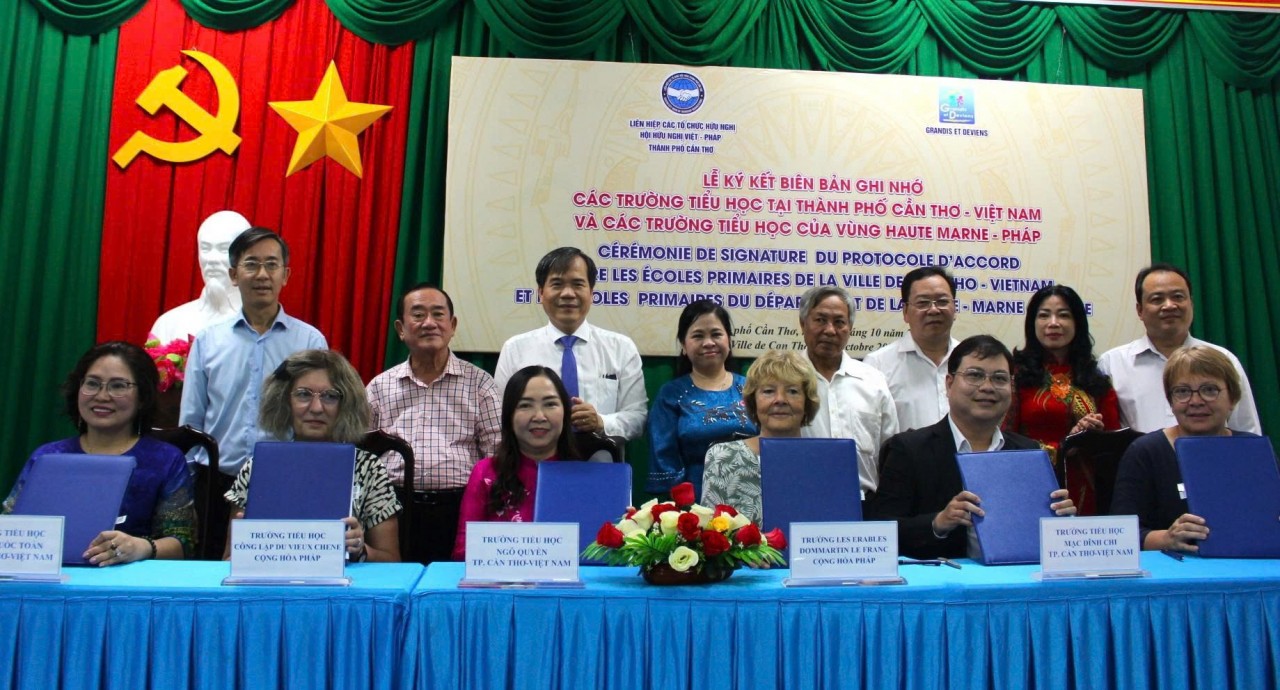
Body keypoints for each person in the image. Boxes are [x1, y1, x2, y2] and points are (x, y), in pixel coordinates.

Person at [180, 227, 327, 558]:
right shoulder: (208, 341)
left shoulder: (309, 342)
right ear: (234, 274)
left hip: (287, 482)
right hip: (217, 483)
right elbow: (192, 423)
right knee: (212, 581)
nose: (262, 274)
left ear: (286, 274)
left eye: (272, 264)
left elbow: (321, 424)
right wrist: (187, 493)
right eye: (251, 264)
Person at [866, 335, 1076, 559]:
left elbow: (1047, 540)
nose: (987, 387)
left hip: (1016, 582)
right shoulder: (908, 450)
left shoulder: (1028, 452)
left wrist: (1061, 522)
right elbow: (882, 531)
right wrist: (938, 523)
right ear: (949, 384)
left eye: (999, 378)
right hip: (943, 585)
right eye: (975, 375)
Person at [3, 342, 195, 565]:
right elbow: (9, 528)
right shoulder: (48, 456)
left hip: (130, 583)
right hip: (48, 581)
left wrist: (139, 547)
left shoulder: (165, 460)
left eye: (118, 386)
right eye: (92, 384)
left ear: (142, 397)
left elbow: (183, 543)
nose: (102, 396)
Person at [366, 283, 501, 564]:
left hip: (462, 508)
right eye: (418, 315)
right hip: (394, 511)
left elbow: (497, 456)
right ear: (401, 329)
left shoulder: (480, 384)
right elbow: (363, 459)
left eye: (438, 315)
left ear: (452, 326)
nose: (429, 323)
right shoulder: (379, 387)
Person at [225, 350, 401, 562]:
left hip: (345, 590)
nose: (316, 408)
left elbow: (392, 561)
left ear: (346, 405)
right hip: (270, 587)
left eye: (330, 396)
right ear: (284, 401)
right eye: (303, 394)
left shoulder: (368, 468)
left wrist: (361, 550)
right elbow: (228, 559)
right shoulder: (259, 467)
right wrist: (246, 546)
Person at [1110, 346, 1260, 553]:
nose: (1196, 401)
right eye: (1183, 392)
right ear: (1170, 401)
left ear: (1233, 399)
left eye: (1209, 390)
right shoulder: (1145, 452)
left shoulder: (1252, 450)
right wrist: (1166, 538)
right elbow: (1119, 535)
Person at [494, 247, 647, 444]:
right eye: (557, 284)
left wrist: (601, 422)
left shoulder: (621, 348)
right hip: (534, 468)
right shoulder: (515, 349)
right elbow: (500, 415)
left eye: (577, 284)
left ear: (591, 292)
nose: (567, 293)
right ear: (541, 292)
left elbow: (638, 417)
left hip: (600, 466)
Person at [1099, 263, 1260, 434]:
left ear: (1191, 304)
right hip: (1141, 459)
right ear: (1140, 310)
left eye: (1178, 297)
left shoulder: (1222, 359)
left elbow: (1246, 430)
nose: (1169, 305)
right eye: (1157, 299)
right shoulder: (1112, 363)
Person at [452, 366, 580, 560]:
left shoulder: (584, 477)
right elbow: (464, 552)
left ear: (565, 412)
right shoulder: (486, 472)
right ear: (509, 415)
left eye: (550, 404)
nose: (539, 416)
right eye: (525, 405)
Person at [646, 300, 756, 499]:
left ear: (729, 340)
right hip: (695, 505)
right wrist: (684, 512)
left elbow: (769, 441)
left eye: (716, 334)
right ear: (684, 345)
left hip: (753, 494)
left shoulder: (751, 389)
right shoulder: (671, 394)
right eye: (698, 336)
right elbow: (664, 458)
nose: (708, 342)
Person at [701, 351, 821, 527]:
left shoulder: (823, 461)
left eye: (792, 391)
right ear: (753, 402)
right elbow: (711, 538)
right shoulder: (722, 457)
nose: (780, 399)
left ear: (807, 403)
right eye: (769, 391)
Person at [797, 286, 898, 494]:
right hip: (802, 498)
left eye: (839, 322)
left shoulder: (873, 381)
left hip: (866, 505)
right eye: (820, 320)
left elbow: (892, 454)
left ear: (850, 328)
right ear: (803, 324)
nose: (830, 330)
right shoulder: (785, 378)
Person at [1005, 285, 1121, 457]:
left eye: (1063, 315)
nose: (1053, 323)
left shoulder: (1094, 378)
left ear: (1078, 323)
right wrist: (1067, 444)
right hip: (1034, 475)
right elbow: (1005, 440)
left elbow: (1115, 443)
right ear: (1032, 323)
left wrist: (1091, 434)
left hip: (1087, 478)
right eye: (1044, 315)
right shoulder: (1015, 374)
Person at [863, 266, 960, 431]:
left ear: (955, 308)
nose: (934, 310)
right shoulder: (878, 364)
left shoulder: (968, 360)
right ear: (906, 311)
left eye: (943, 301)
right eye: (923, 303)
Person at [148, 210, 251, 343]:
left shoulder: (268, 326)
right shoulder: (169, 324)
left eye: (224, 249)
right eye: (206, 248)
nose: (212, 259)